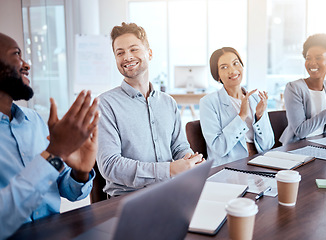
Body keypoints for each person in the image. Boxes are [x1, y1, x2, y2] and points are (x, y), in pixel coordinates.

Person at [0, 32, 100, 239]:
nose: (27, 64)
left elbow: (66, 189)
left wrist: (80, 173)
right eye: (16, 54)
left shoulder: (34, 121)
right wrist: (55, 152)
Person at [96, 22, 204, 196]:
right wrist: (168, 170)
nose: (127, 57)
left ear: (150, 54)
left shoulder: (168, 103)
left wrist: (191, 160)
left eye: (134, 49)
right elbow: (110, 165)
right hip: (129, 198)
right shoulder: (105, 104)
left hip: (172, 192)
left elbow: (179, 147)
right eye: (120, 53)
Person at [200, 47, 274, 166]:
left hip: (259, 163)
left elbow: (268, 144)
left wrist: (259, 116)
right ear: (217, 75)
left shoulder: (255, 99)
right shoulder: (208, 102)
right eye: (224, 67)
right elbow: (219, 148)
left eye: (235, 63)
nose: (232, 70)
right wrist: (242, 116)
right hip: (229, 167)